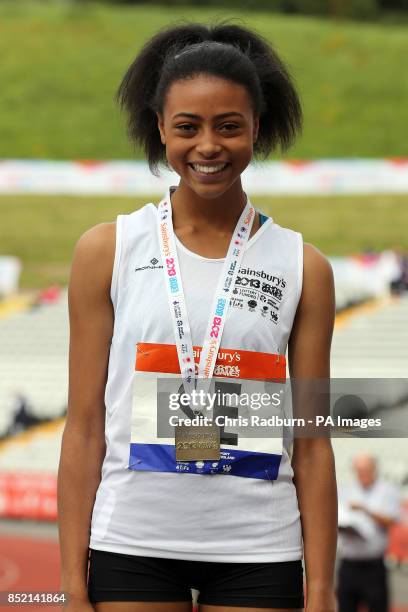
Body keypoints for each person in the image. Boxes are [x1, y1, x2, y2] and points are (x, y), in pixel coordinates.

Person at [57, 22, 337, 612]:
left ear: (256, 128)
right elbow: (83, 426)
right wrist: (71, 586)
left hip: (260, 549)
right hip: (131, 540)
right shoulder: (107, 250)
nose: (208, 146)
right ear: (160, 127)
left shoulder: (303, 265)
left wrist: (322, 590)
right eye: (188, 126)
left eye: (228, 126)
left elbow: (312, 442)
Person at [337, 453, 401, 612]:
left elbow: (391, 520)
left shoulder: (387, 490)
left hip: (374, 565)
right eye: (359, 470)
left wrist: (365, 510)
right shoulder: (345, 489)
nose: (362, 474)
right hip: (349, 563)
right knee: (345, 606)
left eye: (366, 470)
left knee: (378, 606)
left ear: (375, 470)